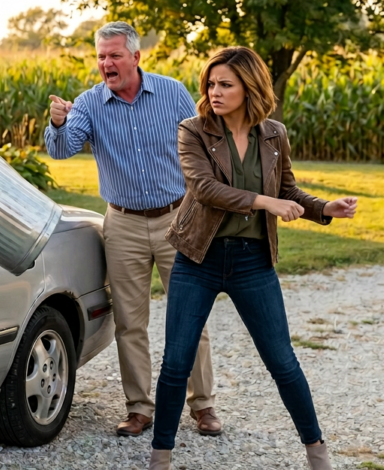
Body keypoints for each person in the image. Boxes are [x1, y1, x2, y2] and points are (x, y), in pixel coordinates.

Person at [149, 46, 357, 470]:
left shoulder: (274, 134)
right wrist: (264, 202)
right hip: (197, 259)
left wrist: (324, 208)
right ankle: (160, 458)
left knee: (282, 361)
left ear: (250, 87)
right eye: (211, 83)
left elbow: (287, 190)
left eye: (226, 84)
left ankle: (317, 452)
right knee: (176, 363)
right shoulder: (193, 130)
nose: (215, 91)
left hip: (252, 262)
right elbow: (203, 187)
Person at [45, 21, 221, 437]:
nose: (106, 63)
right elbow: (62, 149)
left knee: (190, 315)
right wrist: (57, 123)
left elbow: (205, 142)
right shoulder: (89, 103)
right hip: (122, 224)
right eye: (101, 56)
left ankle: (203, 405)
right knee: (129, 322)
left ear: (136, 57)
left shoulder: (172, 92)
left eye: (114, 55)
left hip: (178, 218)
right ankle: (139, 408)